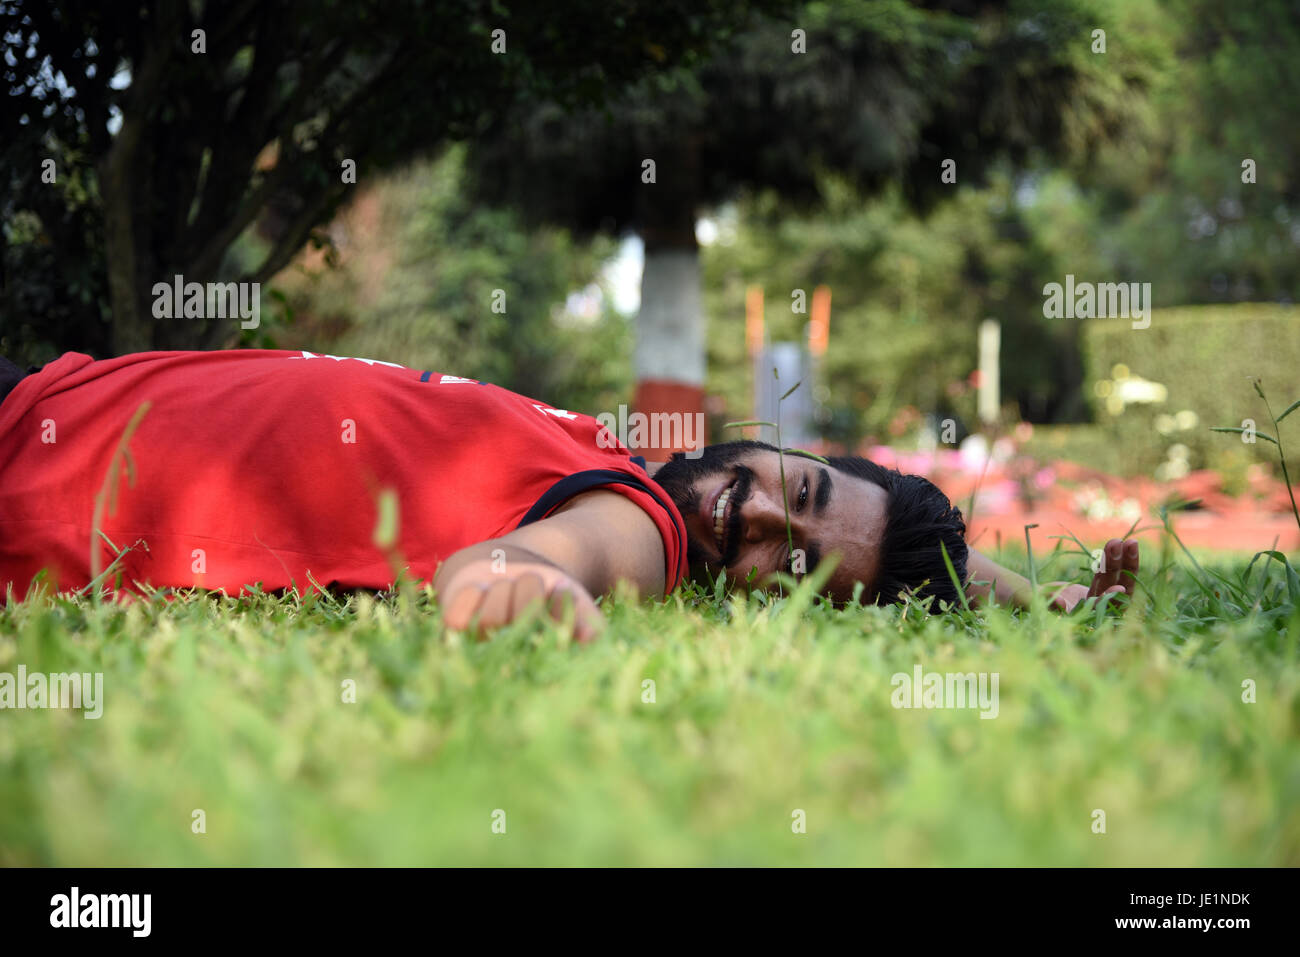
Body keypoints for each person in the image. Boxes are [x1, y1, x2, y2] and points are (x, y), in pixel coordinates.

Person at [0, 349, 1139, 635]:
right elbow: (896, 529)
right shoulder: (614, 453)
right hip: (57, 392)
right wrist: (1051, 601)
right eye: (791, 483)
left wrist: (521, 591)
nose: (754, 514)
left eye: (784, 562)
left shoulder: (642, 528)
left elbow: (517, 573)